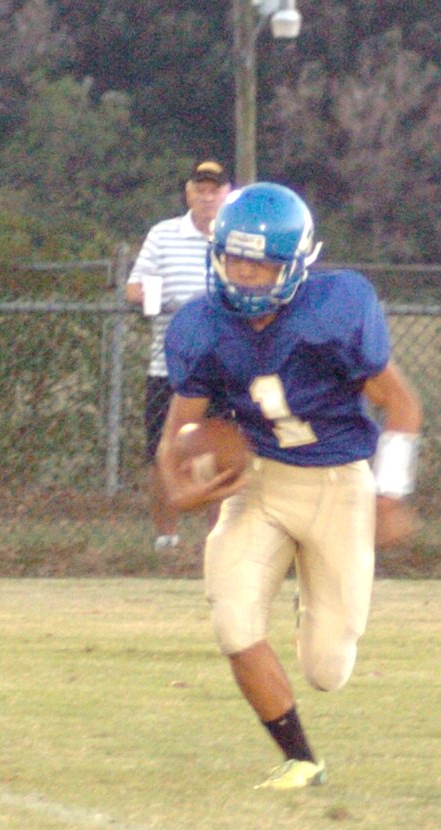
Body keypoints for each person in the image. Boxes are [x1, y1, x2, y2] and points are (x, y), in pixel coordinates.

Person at [156, 182, 423, 790]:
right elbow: (179, 429)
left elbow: (402, 404)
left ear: (298, 264)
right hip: (260, 483)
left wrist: (390, 493)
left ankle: (313, 592)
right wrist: (177, 485)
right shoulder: (201, 325)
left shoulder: (337, 308)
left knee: (328, 668)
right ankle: (301, 759)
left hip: (339, 485)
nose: (247, 277)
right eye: (237, 259)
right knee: (233, 619)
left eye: (263, 264)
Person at [126, 160, 232, 552]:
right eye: (200, 189)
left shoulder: (239, 236)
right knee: (162, 453)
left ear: (227, 193)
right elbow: (134, 289)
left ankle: (217, 543)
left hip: (224, 368)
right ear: (189, 193)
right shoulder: (164, 234)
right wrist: (161, 299)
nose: (207, 197)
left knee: (218, 455)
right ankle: (166, 540)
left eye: (214, 190)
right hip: (168, 367)